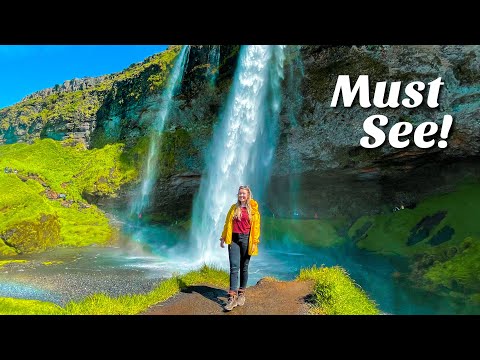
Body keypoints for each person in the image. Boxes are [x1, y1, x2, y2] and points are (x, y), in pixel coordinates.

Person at [220, 185, 261, 311]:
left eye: (243, 193)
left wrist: (254, 242)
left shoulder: (253, 210)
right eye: (239, 193)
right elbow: (227, 223)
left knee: (244, 266)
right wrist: (223, 237)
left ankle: (241, 293)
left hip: (246, 239)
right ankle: (232, 297)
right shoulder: (234, 208)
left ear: (248, 195)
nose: (241, 195)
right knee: (234, 267)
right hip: (233, 239)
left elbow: (256, 227)